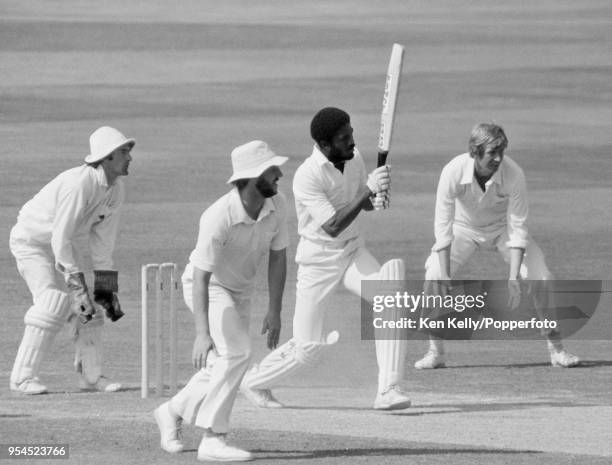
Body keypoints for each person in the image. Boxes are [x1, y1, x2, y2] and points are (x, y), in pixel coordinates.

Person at [240, 107, 411, 411]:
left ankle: (388, 389)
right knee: (308, 347)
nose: (352, 142)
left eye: (352, 134)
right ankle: (255, 381)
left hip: (353, 251)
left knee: (391, 297)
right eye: (344, 138)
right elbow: (332, 226)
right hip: (318, 261)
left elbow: (361, 204)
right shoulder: (307, 176)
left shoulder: (353, 158)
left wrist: (377, 196)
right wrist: (367, 193)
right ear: (324, 144)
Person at [154, 140, 288, 462]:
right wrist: (202, 332)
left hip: (239, 291)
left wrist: (275, 309)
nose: (279, 174)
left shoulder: (278, 204)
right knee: (239, 351)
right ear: (253, 177)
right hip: (208, 286)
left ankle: (171, 411)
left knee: (223, 363)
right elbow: (200, 276)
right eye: (272, 171)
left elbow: (279, 258)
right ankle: (213, 438)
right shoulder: (218, 216)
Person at [414, 122, 580, 369]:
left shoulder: (514, 174)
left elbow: (518, 227)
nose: (499, 158)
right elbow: (443, 226)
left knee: (542, 277)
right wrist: (446, 273)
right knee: (435, 274)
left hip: (503, 229)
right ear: (474, 152)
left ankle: (556, 350)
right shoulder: (453, 171)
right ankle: (435, 352)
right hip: (463, 228)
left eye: (502, 150)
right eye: (492, 152)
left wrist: (514, 277)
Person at [9, 126, 134, 395]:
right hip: (32, 242)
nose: (129, 157)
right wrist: (77, 287)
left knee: (94, 305)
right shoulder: (79, 184)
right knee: (52, 302)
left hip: (60, 245)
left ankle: (91, 377)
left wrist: (105, 288)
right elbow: (60, 237)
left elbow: (102, 246)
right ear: (106, 157)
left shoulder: (115, 190)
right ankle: (22, 378)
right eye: (123, 152)